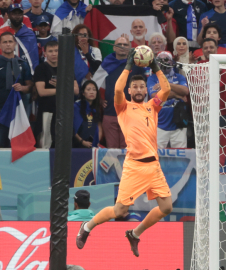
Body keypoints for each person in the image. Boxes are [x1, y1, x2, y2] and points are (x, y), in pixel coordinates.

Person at [76, 49, 173, 258]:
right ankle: (87, 226)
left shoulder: (152, 107)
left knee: (166, 207)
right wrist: (128, 66)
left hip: (153, 167)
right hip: (134, 165)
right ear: (130, 91)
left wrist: (155, 67)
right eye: (134, 87)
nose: (138, 89)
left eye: (141, 86)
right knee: (119, 211)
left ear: (145, 90)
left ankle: (135, 233)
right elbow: (117, 90)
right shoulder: (123, 107)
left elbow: (166, 89)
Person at [94, 36, 146, 149]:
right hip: (110, 114)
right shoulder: (106, 65)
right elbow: (93, 85)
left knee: (127, 150)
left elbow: (143, 90)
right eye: (119, 44)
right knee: (111, 152)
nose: (122, 47)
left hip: (130, 115)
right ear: (114, 48)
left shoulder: (137, 66)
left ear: (131, 48)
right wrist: (100, 99)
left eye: (125, 45)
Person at [192, 38, 226, 163]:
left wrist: (221, 71)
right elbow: (194, 88)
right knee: (202, 148)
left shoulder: (225, 65)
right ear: (202, 50)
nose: (209, 50)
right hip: (202, 114)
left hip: (220, 113)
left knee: (220, 148)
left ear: (217, 49)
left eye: (211, 47)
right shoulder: (197, 66)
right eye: (206, 48)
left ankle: (219, 170)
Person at [0, 32, 33, 147]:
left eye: (10, 42)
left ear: (15, 44)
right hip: (0, 111)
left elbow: (31, 87)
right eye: (5, 42)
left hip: (19, 111)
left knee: (19, 146)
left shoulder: (23, 64)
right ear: (0, 45)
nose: (8, 45)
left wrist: (22, 88)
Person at [148, 51, 189, 148]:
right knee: (157, 157)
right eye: (160, 60)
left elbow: (185, 91)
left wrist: (166, 84)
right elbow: (155, 95)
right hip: (159, 125)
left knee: (180, 158)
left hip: (178, 125)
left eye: (166, 59)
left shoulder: (180, 77)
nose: (162, 62)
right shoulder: (152, 78)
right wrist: (177, 95)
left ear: (171, 61)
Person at [0, 4, 39, 73]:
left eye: (19, 14)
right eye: (14, 14)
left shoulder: (29, 34)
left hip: (25, 72)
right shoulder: (1, 32)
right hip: (5, 71)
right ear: (8, 15)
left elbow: (34, 57)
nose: (17, 16)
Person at [74, 80, 101, 148]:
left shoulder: (95, 109)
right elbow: (72, 129)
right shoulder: (76, 107)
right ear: (83, 93)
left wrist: (97, 141)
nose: (91, 92)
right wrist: (82, 141)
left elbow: (98, 127)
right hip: (76, 146)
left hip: (92, 146)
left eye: (94, 90)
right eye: (88, 89)